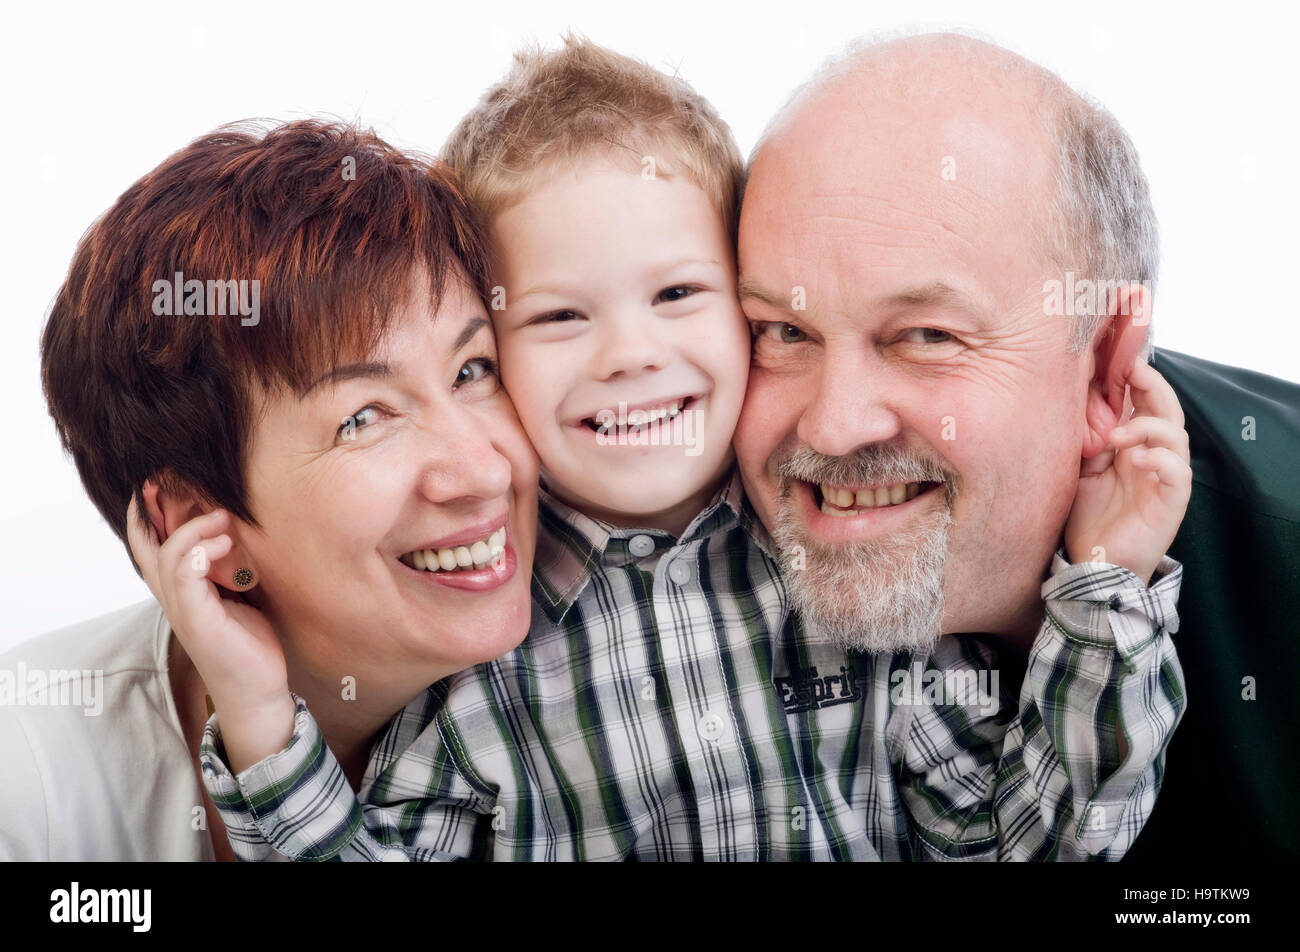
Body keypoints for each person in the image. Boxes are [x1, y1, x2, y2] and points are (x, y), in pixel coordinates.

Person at [170, 36, 1191, 861]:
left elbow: (1037, 842)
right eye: (560, 316)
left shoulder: (856, 573)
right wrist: (263, 720)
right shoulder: (473, 660)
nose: (629, 356)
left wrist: (1106, 589)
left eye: (677, 295)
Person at [0, 120, 540, 860]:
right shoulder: (29, 780)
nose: (485, 471)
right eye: (363, 418)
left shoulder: (603, 666)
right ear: (198, 526)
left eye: (472, 370)